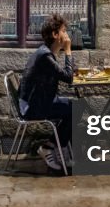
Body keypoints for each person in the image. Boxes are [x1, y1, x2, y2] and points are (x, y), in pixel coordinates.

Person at [19, 14, 76, 172]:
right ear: (55, 35)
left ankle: (57, 147)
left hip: (40, 101)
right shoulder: (45, 56)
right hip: (32, 108)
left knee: (74, 107)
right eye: (64, 31)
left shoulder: (46, 53)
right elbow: (68, 77)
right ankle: (51, 147)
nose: (67, 35)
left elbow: (64, 75)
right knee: (75, 109)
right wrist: (68, 51)